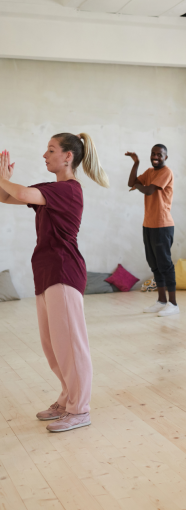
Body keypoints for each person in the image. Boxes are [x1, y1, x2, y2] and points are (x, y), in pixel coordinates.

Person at [0, 134, 109, 432]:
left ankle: (80, 409)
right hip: (46, 272)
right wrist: (3, 180)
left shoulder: (69, 190)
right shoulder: (51, 190)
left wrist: (4, 178)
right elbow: (8, 196)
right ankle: (66, 400)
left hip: (64, 271)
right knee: (53, 346)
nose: (44, 155)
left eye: (51, 150)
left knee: (71, 345)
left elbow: (19, 193)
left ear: (68, 157)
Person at [125, 144, 178, 317]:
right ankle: (161, 301)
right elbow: (131, 182)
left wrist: (138, 187)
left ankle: (173, 303)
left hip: (163, 224)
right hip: (148, 224)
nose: (155, 157)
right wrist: (136, 163)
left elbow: (148, 190)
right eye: (153, 154)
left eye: (159, 155)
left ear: (166, 157)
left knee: (165, 264)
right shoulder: (149, 172)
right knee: (154, 264)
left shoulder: (166, 172)